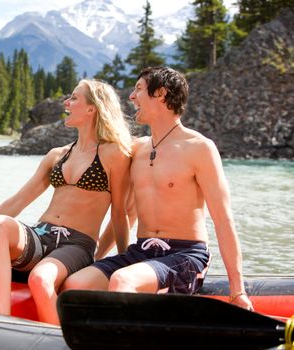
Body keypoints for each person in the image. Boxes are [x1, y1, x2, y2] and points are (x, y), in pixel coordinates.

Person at [62, 67, 253, 311]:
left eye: (139, 89)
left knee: (123, 280)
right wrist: (96, 255)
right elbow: (125, 213)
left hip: (185, 255)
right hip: (141, 251)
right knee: (75, 283)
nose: (131, 97)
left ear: (161, 94)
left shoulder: (199, 148)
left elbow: (223, 220)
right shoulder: (137, 150)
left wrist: (237, 290)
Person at [0, 79, 133, 324]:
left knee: (40, 279)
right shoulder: (57, 154)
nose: (66, 102)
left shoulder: (114, 153)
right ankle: (1, 323)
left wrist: (124, 261)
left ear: (92, 108)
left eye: (74, 98)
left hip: (76, 245)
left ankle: (56, 341)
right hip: (41, 234)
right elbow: (18, 201)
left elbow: (120, 214)